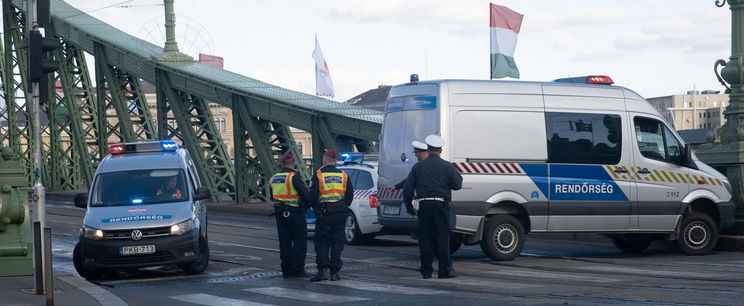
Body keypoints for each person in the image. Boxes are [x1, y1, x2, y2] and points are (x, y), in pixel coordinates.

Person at [402, 135, 463, 279]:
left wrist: (409, 207)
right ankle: (444, 271)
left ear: (428, 149)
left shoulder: (418, 166)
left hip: (424, 205)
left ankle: (426, 271)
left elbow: (407, 189)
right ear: (440, 150)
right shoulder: (447, 166)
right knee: (443, 238)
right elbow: (457, 185)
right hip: (441, 204)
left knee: (425, 239)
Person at [309, 149, 354, 282]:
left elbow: (313, 196)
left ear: (324, 160)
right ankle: (335, 273)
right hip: (340, 214)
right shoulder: (344, 175)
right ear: (335, 162)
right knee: (336, 243)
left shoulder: (318, 175)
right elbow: (350, 195)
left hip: (324, 214)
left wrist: (317, 209)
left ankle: (322, 271)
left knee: (323, 242)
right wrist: (344, 207)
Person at [270, 153, 312, 278]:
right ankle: (298, 270)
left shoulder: (275, 178)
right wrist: (305, 208)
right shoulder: (294, 177)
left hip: (279, 214)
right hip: (294, 213)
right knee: (299, 242)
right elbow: (306, 195)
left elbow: (272, 196)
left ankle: (286, 270)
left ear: (281, 163)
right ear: (293, 164)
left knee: (284, 242)